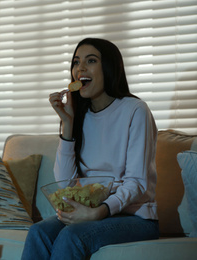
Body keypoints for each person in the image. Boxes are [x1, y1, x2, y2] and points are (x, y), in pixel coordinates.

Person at [21, 38, 160, 260]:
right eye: (76, 62)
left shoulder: (135, 110)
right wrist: (67, 125)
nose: (80, 68)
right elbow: (66, 184)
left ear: (109, 67)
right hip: (90, 211)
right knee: (38, 232)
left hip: (136, 218)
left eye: (91, 60)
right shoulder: (79, 115)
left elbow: (137, 183)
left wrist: (100, 211)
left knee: (72, 236)